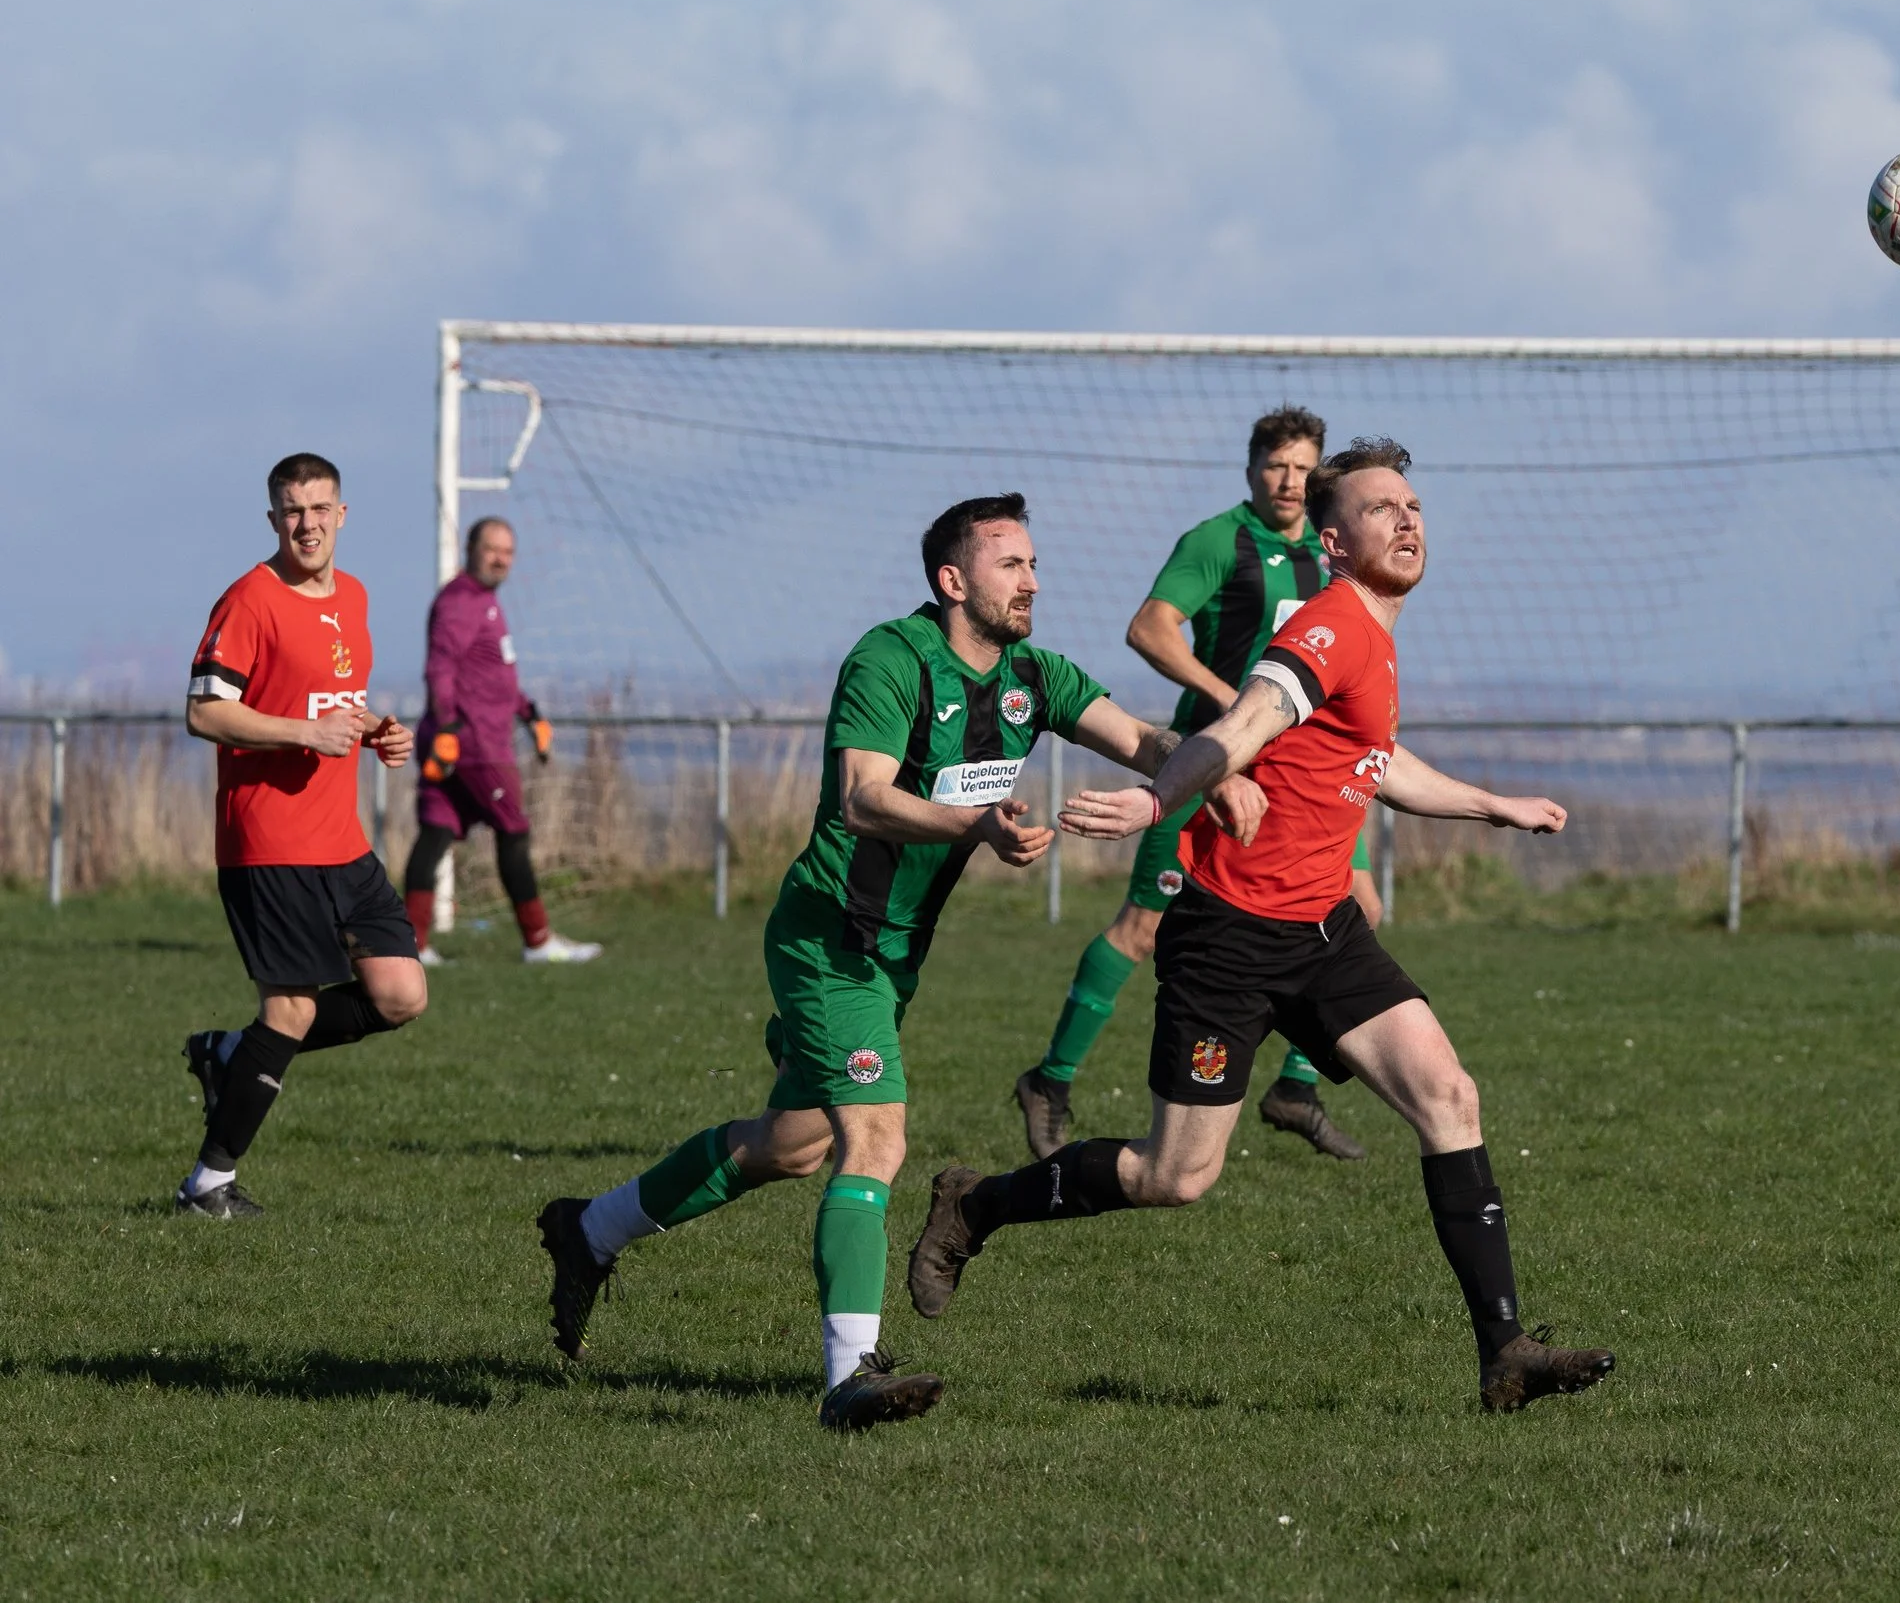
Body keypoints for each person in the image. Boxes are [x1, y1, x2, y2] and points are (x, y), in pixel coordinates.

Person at [908, 441, 1617, 1413]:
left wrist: (1494, 804)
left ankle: (1505, 1352)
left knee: (1449, 1096)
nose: (1407, 520)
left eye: (1413, 505)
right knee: (1176, 1175)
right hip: (1228, 936)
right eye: (1381, 509)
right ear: (1334, 541)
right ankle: (975, 1203)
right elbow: (1242, 724)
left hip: (1322, 929)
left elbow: (1376, 761)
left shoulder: (1374, 631)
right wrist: (1160, 799)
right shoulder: (1328, 629)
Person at [533, 494, 1252, 1432]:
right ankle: (848, 1375)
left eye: (1035, 564)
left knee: (791, 1145)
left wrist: (1205, 773)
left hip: (893, 952)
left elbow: (1142, 738)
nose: (1032, 580)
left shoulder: (1037, 676)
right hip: (831, 936)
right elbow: (863, 798)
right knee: (876, 1138)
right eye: (1010, 564)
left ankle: (586, 1231)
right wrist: (976, 825)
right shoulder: (889, 660)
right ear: (953, 581)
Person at [1012, 406, 1378, 1163]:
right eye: (1276, 464)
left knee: (1357, 905)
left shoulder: (1331, 554)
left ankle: (1296, 1086)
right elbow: (1150, 627)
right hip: (1213, 766)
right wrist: (1227, 704)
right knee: (1144, 927)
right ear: (1252, 470)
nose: (1289, 479)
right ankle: (1050, 1079)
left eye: (1304, 466)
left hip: (1306, 780)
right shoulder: (1219, 540)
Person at [178, 453, 426, 1219]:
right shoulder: (250, 599)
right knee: (288, 1012)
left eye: (319, 509)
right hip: (268, 842)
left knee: (400, 995)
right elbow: (204, 712)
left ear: (342, 514)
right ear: (273, 519)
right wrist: (301, 734)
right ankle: (207, 1185)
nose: (307, 524)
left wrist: (379, 731)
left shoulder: (352, 597)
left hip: (340, 841)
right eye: (291, 510)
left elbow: (333, 704)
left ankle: (228, 1054)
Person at [401, 517, 601, 965]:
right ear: (470, 549)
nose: (501, 559)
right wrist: (449, 729)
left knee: (434, 835)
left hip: (461, 740)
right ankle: (538, 942)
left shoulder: (487, 602)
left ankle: (412, 948)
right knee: (513, 831)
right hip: (473, 747)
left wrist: (529, 713)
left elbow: (493, 677)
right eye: (492, 549)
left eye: (508, 552)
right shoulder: (460, 602)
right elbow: (440, 669)